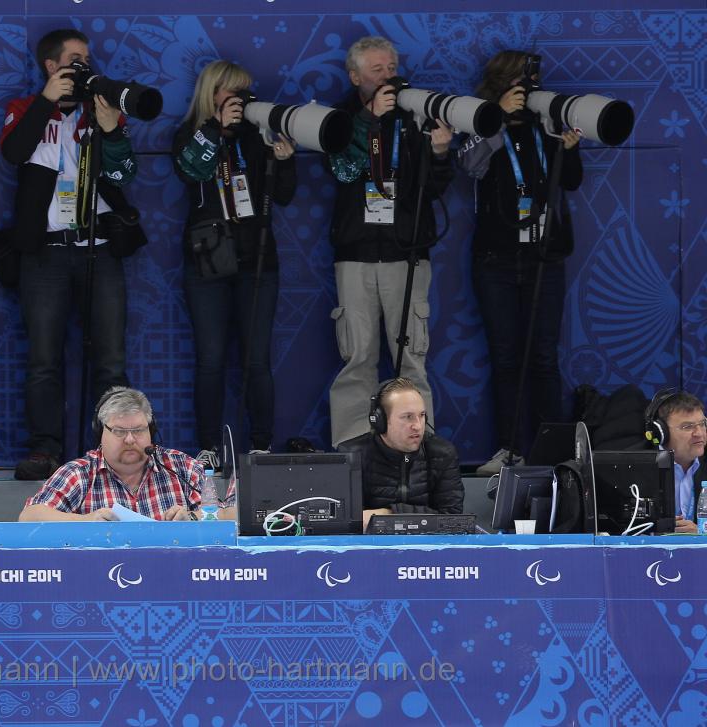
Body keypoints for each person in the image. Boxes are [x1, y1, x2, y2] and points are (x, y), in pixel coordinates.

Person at [0, 29, 140, 481]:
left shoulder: (100, 107)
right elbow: (13, 151)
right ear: (51, 65)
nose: (84, 67)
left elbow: (124, 172)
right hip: (46, 252)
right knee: (43, 358)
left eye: (86, 60)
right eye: (74, 60)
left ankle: (111, 451)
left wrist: (108, 127)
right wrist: (46, 101)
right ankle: (45, 450)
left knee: (111, 360)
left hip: (98, 248)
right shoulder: (25, 109)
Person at [457, 50, 583, 476]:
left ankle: (554, 449)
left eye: (534, 82)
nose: (529, 90)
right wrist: (496, 117)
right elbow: (470, 166)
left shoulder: (546, 120)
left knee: (545, 357)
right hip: (496, 258)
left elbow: (570, 181)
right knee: (506, 358)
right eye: (522, 82)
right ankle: (509, 448)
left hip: (545, 257)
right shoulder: (480, 117)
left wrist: (568, 148)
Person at [326, 36, 454, 448]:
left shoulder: (415, 111)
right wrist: (368, 121)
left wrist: (439, 153)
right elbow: (343, 172)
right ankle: (353, 450)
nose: (388, 76)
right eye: (377, 70)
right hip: (356, 255)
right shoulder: (341, 117)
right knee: (358, 359)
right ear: (355, 76)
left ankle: (420, 451)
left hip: (407, 252)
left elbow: (432, 189)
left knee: (410, 359)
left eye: (392, 67)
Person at [172, 60, 297, 467]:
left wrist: (284, 158)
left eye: (245, 92)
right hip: (207, 261)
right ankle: (209, 446)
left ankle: (260, 444)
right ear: (212, 93)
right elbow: (193, 169)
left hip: (257, 259)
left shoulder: (255, 135)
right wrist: (214, 128)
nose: (241, 100)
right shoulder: (190, 133)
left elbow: (283, 195)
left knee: (256, 359)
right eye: (232, 92)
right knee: (210, 358)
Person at [19, 387, 209, 521]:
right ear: (100, 432)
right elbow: (29, 517)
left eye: (138, 430)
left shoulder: (182, 467)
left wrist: (192, 518)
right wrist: (85, 521)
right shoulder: (78, 474)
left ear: (151, 430)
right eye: (119, 431)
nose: (129, 439)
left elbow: (222, 516)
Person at [337, 378, 464, 529]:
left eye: (422, 415)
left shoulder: (442, 453)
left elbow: (453, 520)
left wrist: (389, 514)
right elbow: (345, 519)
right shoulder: (353, 455)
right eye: (407, 417)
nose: (417, 425)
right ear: (380, 421)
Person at [644, 390, 707, 534]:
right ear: (661, 433)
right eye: (688, 427)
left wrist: (701, 533)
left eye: (702, 424)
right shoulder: (636, 467)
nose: (699, 433)